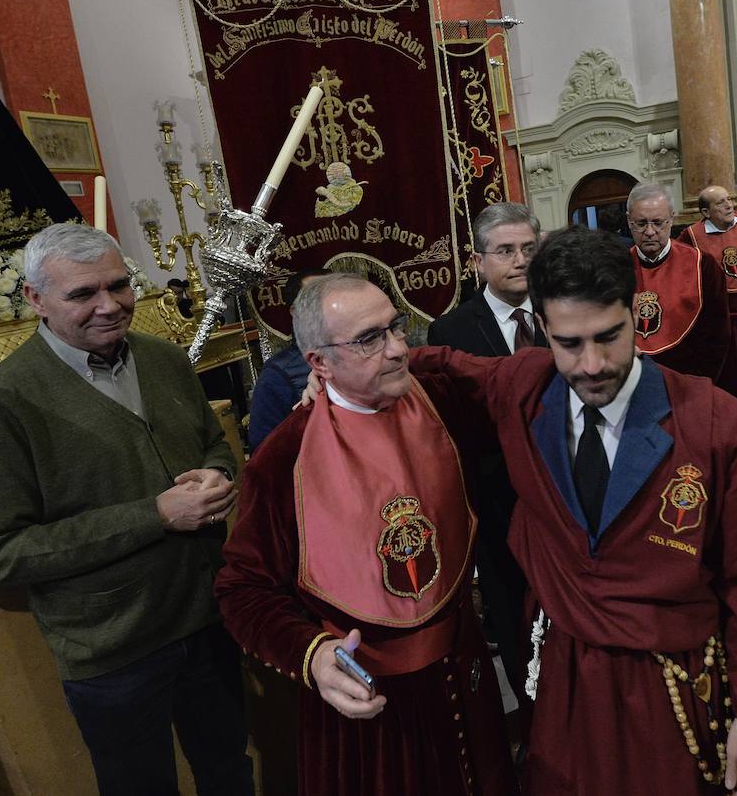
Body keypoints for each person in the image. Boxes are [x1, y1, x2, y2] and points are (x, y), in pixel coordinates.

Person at [411, 226, 737, 795]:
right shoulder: (521, 385)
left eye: (609, 337)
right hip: (566, 671)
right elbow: (436, 362)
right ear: (540, 327)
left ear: (635, 314)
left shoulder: (710, 419)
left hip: (672, 676)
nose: (591, 364)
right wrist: (334, 375)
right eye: (568, 344)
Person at [0, 222, 252, 796]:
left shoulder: (165, 359)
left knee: (229, 770)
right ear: (34, 300)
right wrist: (156, 514)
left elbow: (211, 444)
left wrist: (218, 473)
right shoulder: (5, 399)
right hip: (113, 651)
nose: (110, 306)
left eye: (119, 285)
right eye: (82, 294)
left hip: (209, 618)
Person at [216, 274, 516, 796]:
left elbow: (519, 385)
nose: (398, 348)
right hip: (366, 706)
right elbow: (242, 589)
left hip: (464, 673)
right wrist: (311, 655)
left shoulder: (442, 401)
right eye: (368, 339)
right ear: (318, 363)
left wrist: (417, 359)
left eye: (395, 328)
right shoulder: (285, 457)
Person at [427, 201, 545, 718]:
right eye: (505, 251)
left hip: (572, 499)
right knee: (515, 615)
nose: (519, 260)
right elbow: (454, 427)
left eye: (528, 249)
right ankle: (536, 723)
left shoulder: (563, 309)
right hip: (500, 505)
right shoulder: (450, 332)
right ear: (478, 261)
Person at [625, 181, 737, 395]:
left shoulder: (702, 265)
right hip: (631, 384)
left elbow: (717, 336)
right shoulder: (614, 267)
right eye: (641, 223)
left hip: (689, 383)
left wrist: (695, 386)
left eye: (658, 222)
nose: (650, 231)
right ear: (629, 222)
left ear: (671, 219)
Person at [680, 185, 737, 364]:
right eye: (721, 203)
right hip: (721, 317)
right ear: (706, 212)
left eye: (729, 200)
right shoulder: (691, 236)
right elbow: (686, 270)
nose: (729, 205)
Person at [246, 266, 330, 451]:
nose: (330, 306)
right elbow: (265, 454)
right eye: (316, 300)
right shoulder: (278, 374)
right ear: (295, 311)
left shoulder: (358, 352)